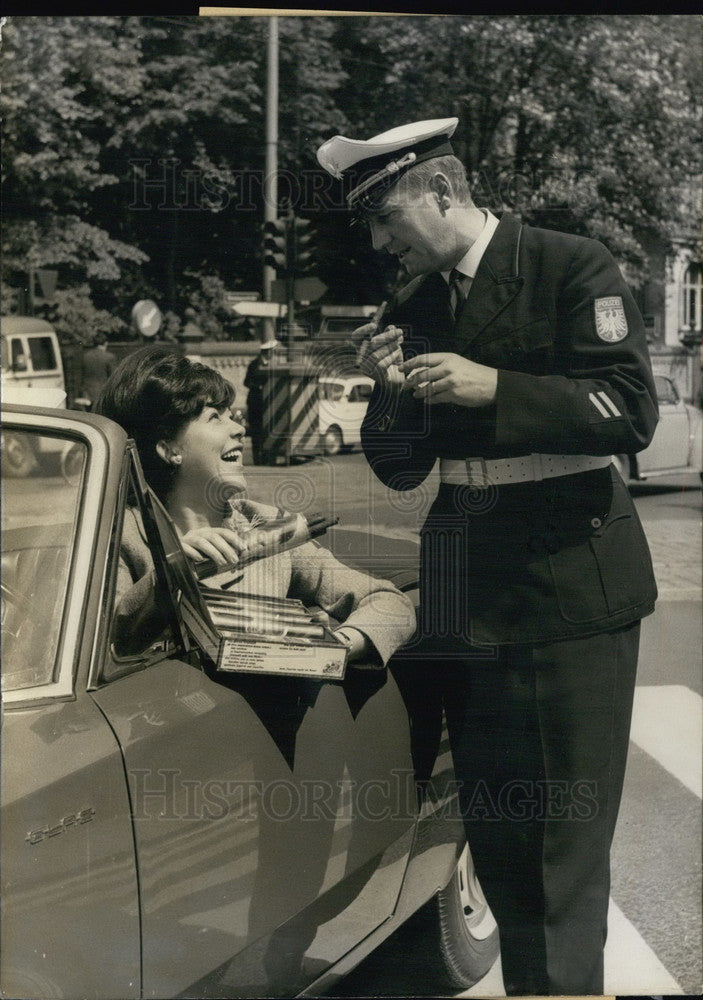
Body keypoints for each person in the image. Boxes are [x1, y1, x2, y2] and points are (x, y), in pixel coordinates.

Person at [317, 117, 659, 996]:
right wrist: (391, 391)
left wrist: (494, 387)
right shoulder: (415, 302)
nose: (378, 238)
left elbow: (628, 412)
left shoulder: (568, 264)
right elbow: (398, 467)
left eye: (388, 214)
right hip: (465, 602)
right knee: (501, 851)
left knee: (555, 862)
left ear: (442, 191)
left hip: (561, 597)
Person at [95, 345, 415, 668]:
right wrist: (170, 572)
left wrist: (334, 649)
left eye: (231, 414)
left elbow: (390, 604)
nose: (239, 428)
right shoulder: (121, 536)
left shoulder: (268, 524)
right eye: (215, 417)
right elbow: (103, 645)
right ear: (169, 449)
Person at [244, 338, 279, 465]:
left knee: (269, 432)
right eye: (271, 351)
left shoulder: (274, 365)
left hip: (269, 404)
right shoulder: (254, 365)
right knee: (256, 433)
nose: (273, 354)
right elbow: (246, 382)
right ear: (266, 352)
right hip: (256, 403)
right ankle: (257, 460)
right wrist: (258, 387)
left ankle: (268, 459)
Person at [80, 332, 116, 409]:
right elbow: (113, 376)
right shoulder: (109, 357)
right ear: (105, 343)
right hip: (103, 393)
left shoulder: (86, 356)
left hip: (88, 394)